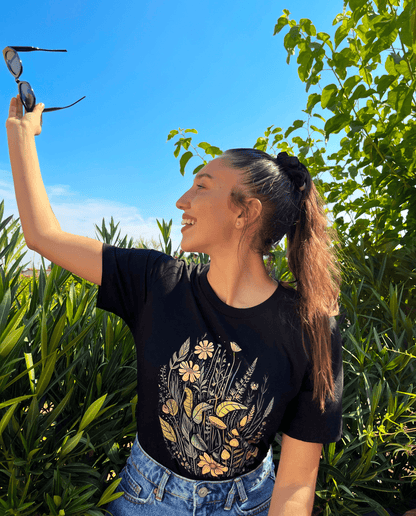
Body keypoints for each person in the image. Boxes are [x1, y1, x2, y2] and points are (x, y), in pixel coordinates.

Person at [6, 96, 343, 516]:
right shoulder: (154, 280)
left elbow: (295, 482)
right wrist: (20, 137)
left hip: (250, 505)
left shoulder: (311, 327)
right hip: (145, 499)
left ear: (246, 213)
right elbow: (43, 236)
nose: (182, 200)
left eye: (201, 186)